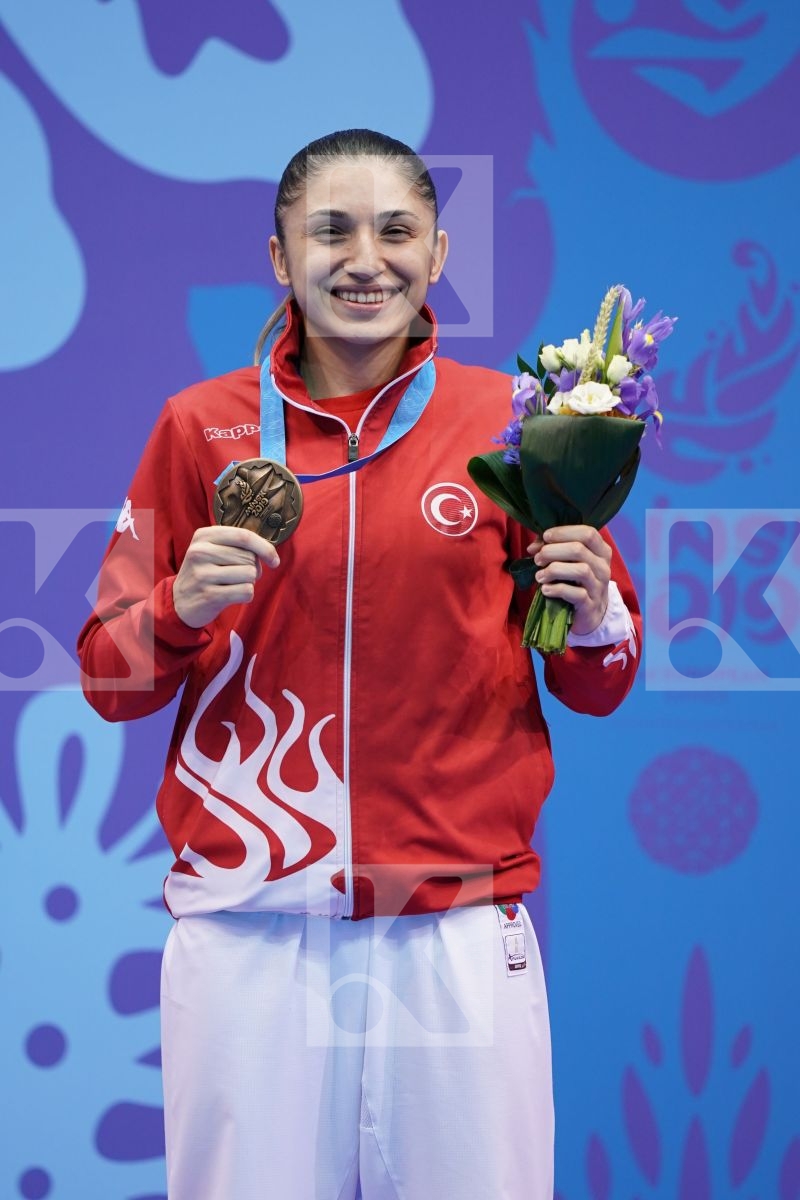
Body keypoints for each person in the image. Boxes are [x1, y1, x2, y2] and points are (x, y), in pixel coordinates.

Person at [78, 129, 641, 1200]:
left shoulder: (515, 425)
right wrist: (179, 608)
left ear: (436, 253)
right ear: (281, 258)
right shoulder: (200, 430)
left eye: (395, 230)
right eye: (328, 231)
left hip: (454, 921)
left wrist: (599, 609)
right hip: (248, 926)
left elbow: (594, 683)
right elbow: (110, 677)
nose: (363, 257)